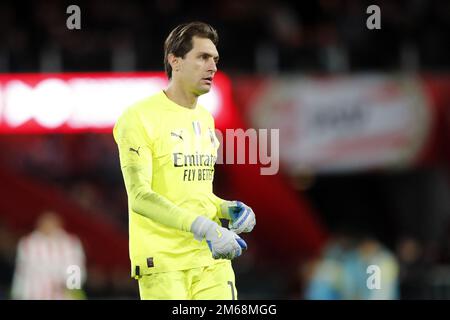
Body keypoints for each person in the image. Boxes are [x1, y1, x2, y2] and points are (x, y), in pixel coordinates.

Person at [113, 21, 256, 300]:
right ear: (175, 61)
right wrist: (207, 228)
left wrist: (228, 209)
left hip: (211, 261)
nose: (213, 67)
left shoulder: (205, 118)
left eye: (215, 59)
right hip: (164, 265)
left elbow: (196, 194)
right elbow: (140, 196)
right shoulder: (138, 117)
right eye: (202, 57)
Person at [11, 211, 86, 300]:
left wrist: (70, 285)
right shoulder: (28, 243)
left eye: (51, 222)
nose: (48, 225)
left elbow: (75, 267)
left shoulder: (70, 243)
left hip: (62, 296)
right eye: (45, 222)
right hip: (33, 294)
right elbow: (24, 271)